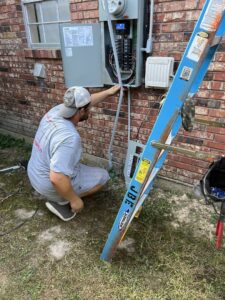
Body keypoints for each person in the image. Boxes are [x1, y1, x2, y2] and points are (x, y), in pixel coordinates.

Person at [27, 85, 120, 221]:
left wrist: (109, 92)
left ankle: (62, 194)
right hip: (48, 183)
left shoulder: (55, 111)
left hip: (34, 173)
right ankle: (62, 201)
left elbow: (87, 102)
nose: (90, 110)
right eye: (89, 109)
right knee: (103, 176)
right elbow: (57, 177)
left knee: (67, 165)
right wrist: (75, 200)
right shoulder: (69, 137)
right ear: (82, 111)